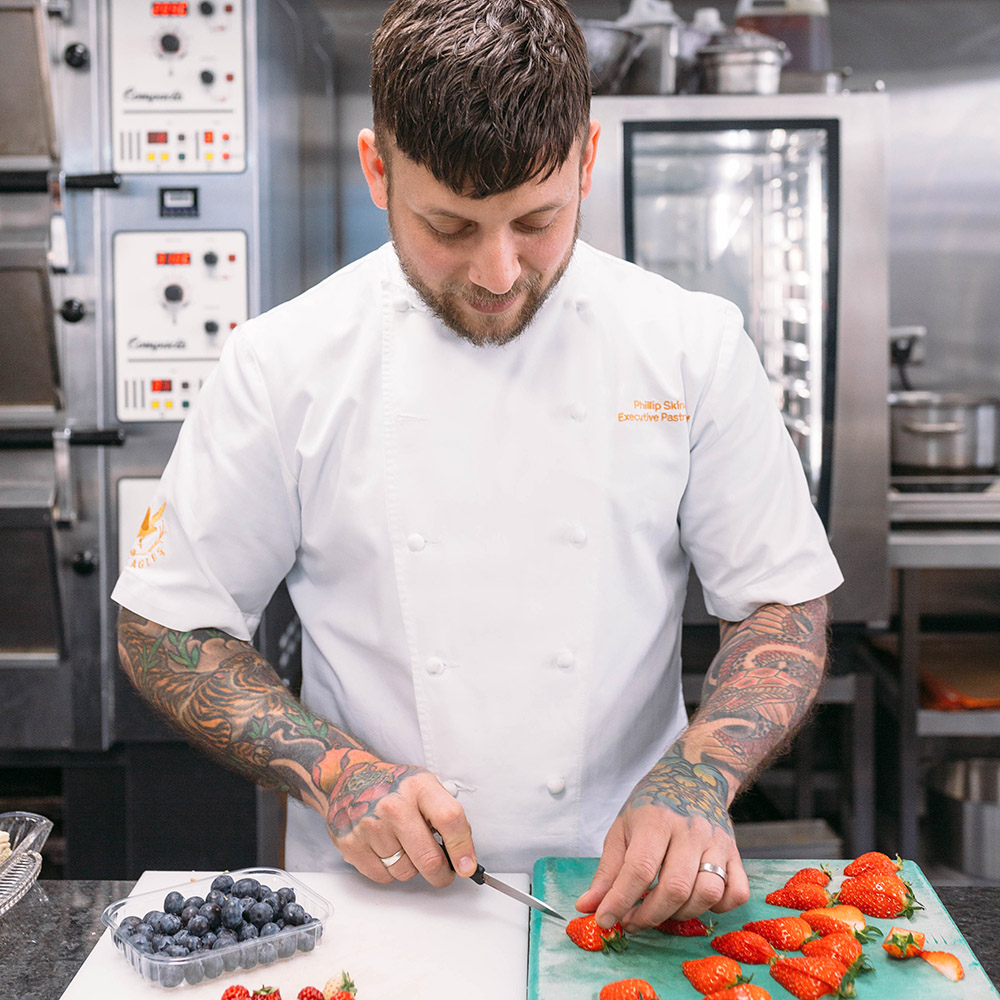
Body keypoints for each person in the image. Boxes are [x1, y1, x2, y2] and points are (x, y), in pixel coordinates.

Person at [113, 0, 842, 934]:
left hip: (630, 891)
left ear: (587, 158)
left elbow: (781, 601)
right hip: (376, 905)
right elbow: (167, 623)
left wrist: (698, 778)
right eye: (450, 227)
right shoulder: (284, 362)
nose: (498, 272)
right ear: (377, 169)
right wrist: (337, 774)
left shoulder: (689, 345)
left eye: (537, 220)